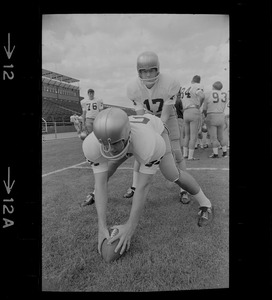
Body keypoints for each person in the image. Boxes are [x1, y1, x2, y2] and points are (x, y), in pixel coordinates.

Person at [82, 108, 213, 256]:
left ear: (127, 136)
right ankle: (94, 196)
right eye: (105, 144)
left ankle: (206, 203)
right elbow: (100, 184)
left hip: (156, 130)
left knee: (171, 173)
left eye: (114, 144)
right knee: (110, 167)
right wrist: (102, 225)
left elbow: (143, 187)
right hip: (132, 138)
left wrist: (130, 226)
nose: (110, 149)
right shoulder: (91, 144)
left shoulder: (149, 143)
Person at [123, 51, 190, 204]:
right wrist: (146, 132)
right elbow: (140, 114)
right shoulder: (133, 87)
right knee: (139, 152)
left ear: (157, 69)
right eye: (144, 71)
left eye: (151, 70)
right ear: (139, 71)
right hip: (147, 116)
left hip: (168, 116)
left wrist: (157, 131)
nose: (147, 74)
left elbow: (165, 114)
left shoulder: (170, 82)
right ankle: (134, 186)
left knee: (176, 153)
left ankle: (184, 188)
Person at [181, 75, 205, 160]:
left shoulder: (184, 87)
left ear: (192, 80)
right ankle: (190, 156)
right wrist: (199, 104)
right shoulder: (197, 86)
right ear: (199, 81)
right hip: (193, 110)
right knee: (193, 136)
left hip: (185, 111)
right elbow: (202, 96)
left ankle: (184, 154)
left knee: (186, 135)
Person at [202, 81, 228, 158]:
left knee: (213, 137)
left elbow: (204, 109)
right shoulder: (225, 94)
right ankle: (224, 152)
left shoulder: (208, 93)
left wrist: (205, 117)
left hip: (212, 115)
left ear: (213, 86)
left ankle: (215, 153)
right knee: (221, 137)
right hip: (221, 115)